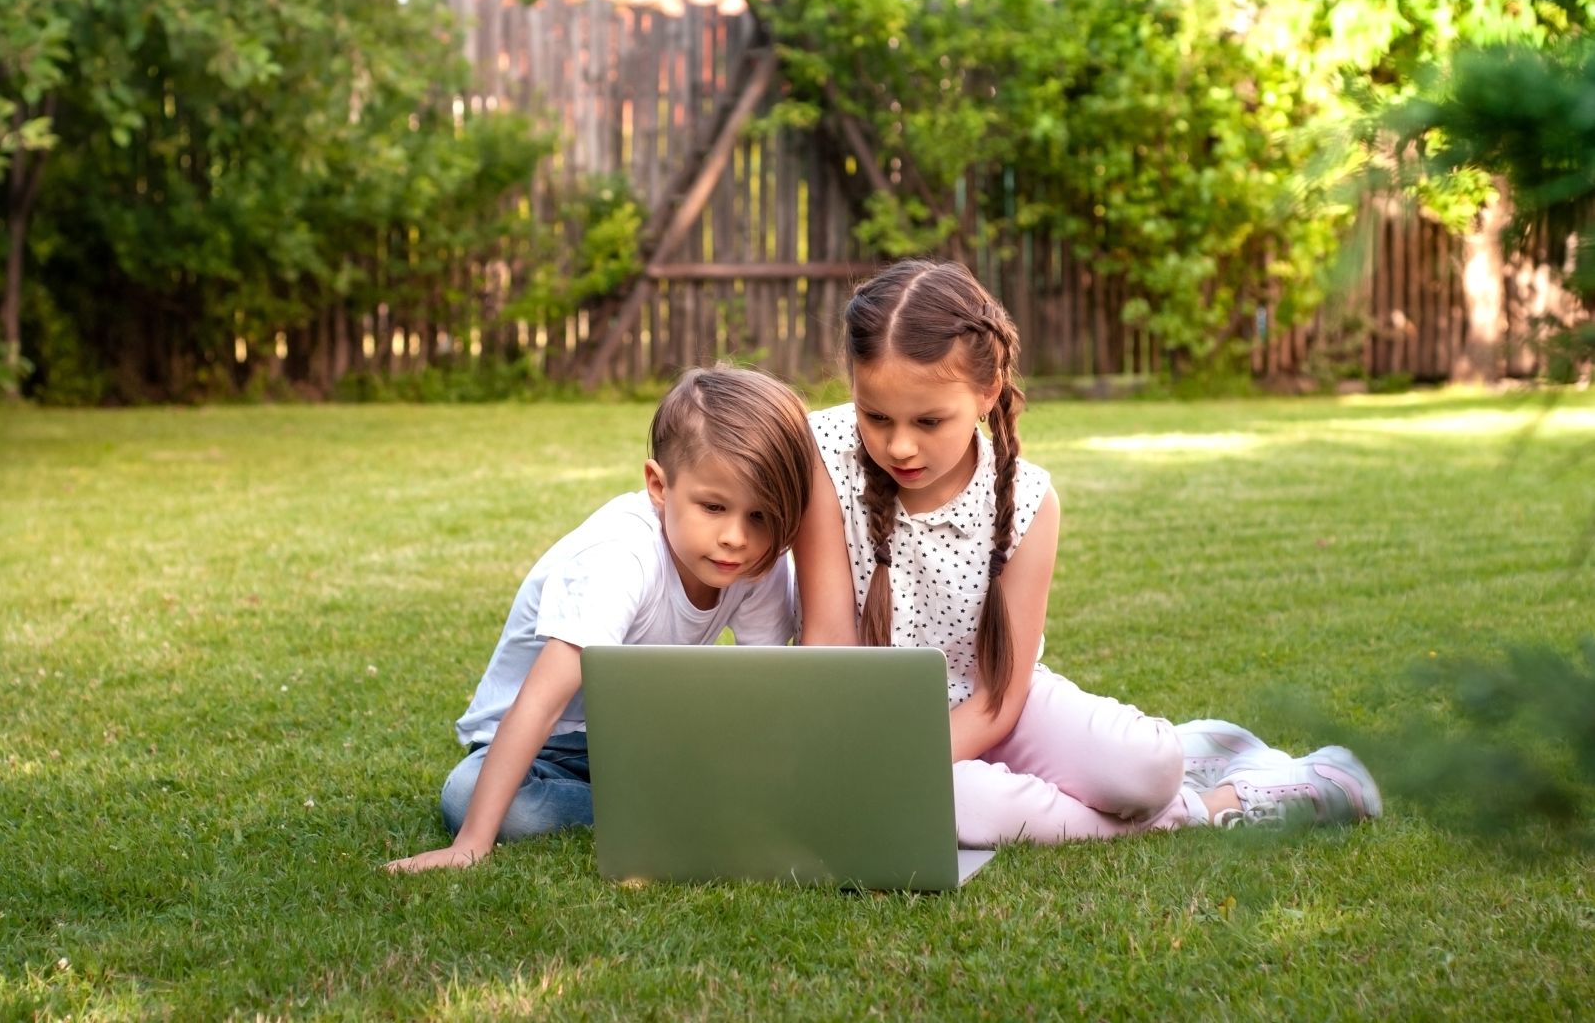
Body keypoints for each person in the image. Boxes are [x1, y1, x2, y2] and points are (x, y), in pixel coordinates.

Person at [792, 259, 1380, 845]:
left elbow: (1003, 695)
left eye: (929, 420)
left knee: (1146, 771)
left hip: (999, 707)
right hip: (874, 728)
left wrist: (910, 767)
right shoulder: (824, 456)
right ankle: (1211, 804)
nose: (900, 444)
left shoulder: (1028, 501)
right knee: (970, 807)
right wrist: (878, 762)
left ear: (987, 391)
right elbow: (828, 649)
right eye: (876, 416)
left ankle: (1193, 749)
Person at [386, 364, 818, 872]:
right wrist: (471, 843)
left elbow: (761, 688)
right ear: (659, 486)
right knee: (464, 795)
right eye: (714, 507)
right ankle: (676, 811)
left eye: (761, 516)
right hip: (547, 743)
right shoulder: (619, 557)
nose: (736, 538)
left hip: (640, 738)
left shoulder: (756, 563)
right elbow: (539, 706)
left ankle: (679, 803)